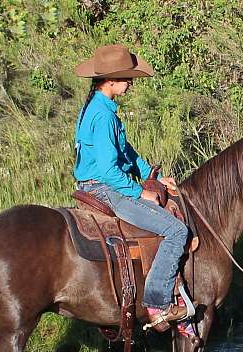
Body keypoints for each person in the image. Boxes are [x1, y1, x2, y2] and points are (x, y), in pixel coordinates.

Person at [73, 44, 189, 328]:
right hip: (103, 189)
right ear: (109, 81)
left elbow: (125, 151)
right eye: (126, 78)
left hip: (98, 184)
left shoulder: (98, 107)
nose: (131, 83)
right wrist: (140, 191)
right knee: (176, 230)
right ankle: (156, 303)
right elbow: (108, 170)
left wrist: (151, 173)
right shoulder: (103, 116)